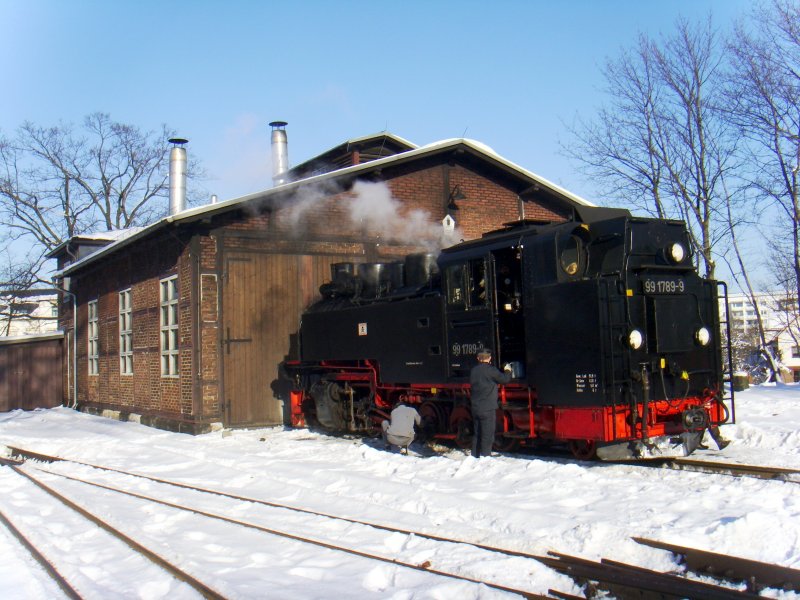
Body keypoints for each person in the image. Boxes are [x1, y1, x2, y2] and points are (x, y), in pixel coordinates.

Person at [469, 350, 513, 458]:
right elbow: (505, 380)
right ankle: (486, 458)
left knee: (477, 434)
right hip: (488, 408)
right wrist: (507, 370)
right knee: (487, 436)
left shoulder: (473, 371)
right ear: (489, 359)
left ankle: (474, 457)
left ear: (478, 359)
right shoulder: (491, 371)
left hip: (475, 407)